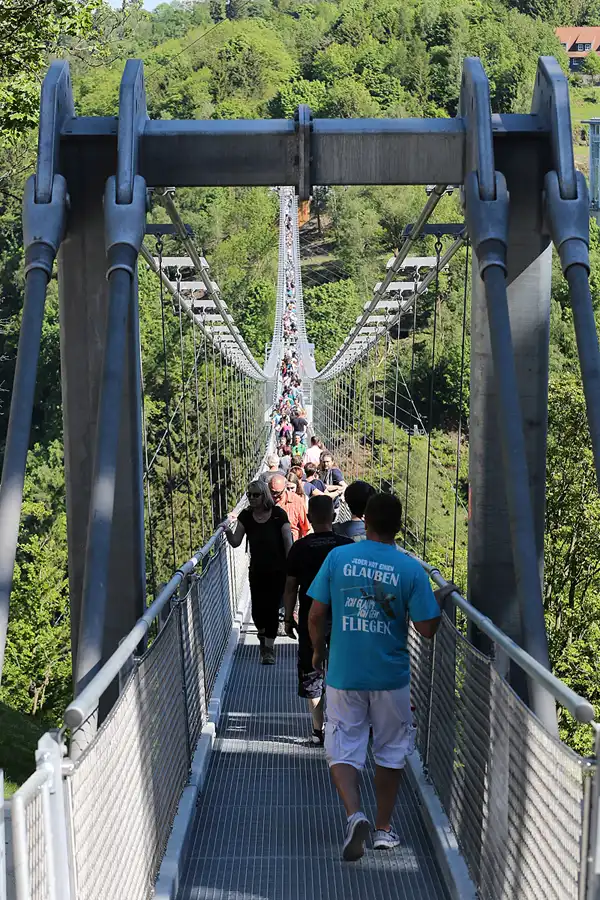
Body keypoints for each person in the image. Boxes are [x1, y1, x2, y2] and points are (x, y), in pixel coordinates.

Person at [307, 492, 441, 861]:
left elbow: (316, 615)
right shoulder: (411, 569)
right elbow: (427, 629)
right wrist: (439, 602)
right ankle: (383, 830)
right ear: (399, 527)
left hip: (345, 674)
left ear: (364, 521)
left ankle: (354, 815)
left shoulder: (339, 557)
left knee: (341, 746)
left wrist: (318, 651)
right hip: (391, 678)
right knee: (391, 753)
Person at [283, 496, 352, 744]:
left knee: (312, 672)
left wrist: (288, 619)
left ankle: (318, 730)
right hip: (344, 619)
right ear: (334, 517)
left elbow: (291, 587)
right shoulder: (348, 546)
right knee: (342, 671)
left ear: (309, 519)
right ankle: (341, 726)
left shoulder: (299, 548)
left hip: (310, 617)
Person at [224, 480, 292, 665]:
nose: (252, 498)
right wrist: (226, 530)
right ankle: (263, 638)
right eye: (249, 495)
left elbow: (288, 538)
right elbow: (237, 541)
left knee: (271, 609)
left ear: (264, 495)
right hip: (257, 570)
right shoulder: (246, 516)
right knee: (257, 611)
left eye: (256, 495)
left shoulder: (278, 515)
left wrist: (291, 563)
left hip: (278, 570)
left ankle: (269, 649)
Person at [269, 473, 309, 542]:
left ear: (284, 489)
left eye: (278, 493)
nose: (275, 496)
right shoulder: (263, 501)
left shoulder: (297, 501)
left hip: (292, 544)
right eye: (272, 492)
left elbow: (306, 528)